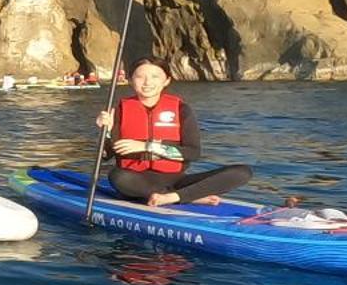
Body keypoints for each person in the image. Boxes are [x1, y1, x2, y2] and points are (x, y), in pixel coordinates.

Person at [94, 55, 251, 207]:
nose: (147, 82)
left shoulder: (182, 109)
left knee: (243, 172)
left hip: (177, 181)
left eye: (155, 76)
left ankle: (173, 197)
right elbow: (105, 156)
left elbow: (193, 153)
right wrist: (105, 132)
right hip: (136, 182)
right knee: (117, 176)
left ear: (166, 80)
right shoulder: (119, 111)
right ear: (130, 80)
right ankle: (188, 197)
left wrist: (147, 147)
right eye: (140, 76)